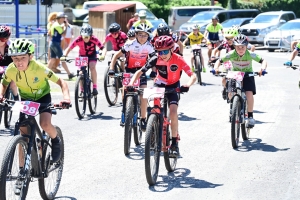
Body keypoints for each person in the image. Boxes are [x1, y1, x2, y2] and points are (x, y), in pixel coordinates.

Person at [0, 38, 70, 171]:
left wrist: (66, 98)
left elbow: (61, 82)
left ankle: (55, 141)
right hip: (26, 100)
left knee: (45, 124)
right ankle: (22, 171)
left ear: (30, 56)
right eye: (15, 59)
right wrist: (1, 95)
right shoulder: (10, 70)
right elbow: (4, 83)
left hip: (43, 97)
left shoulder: (39, 68)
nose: (19, 62)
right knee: (23, 135)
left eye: (22, 58)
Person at [127, 36, 196, 157]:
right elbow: (139, 72)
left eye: (165, 51)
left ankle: (174, 143)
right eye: (159, 51)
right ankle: (152, 129)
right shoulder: (155, 59)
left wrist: (188, 85)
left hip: (174, 86)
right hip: (159, 84)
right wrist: (131, 83)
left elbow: (193, 75)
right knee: (154, 108)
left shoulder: (178, 59)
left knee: (173, 112)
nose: (162, 54)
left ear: (171, 49)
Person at [108, 24, 156, 131]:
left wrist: (153, 72)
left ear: (148, 36)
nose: (142, 37)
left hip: (141, 72)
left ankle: (143, 118)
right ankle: (124, 112)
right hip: (129, 71)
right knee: (125, 91)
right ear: (136, 34)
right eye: (140, 35)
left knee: (144, 94)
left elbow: (154, 61)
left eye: (145, 35)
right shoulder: (130, 44)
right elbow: (116, 56)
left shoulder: (149, 46)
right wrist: (111, 69)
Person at [213, 34, 267, 127]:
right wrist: (216, 68)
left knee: (249, 94)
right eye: (238, 47)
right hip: (235, 75)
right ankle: (233, 107)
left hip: (247, 75)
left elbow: (263, 61)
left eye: (243, 47)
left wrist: (262, 69)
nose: (241, 49)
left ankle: (250, 116)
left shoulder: (250, 54)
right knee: (230, 93)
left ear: (246, 46)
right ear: (234, 46)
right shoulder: (231, 54)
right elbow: (219, 61)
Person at [63, 24, 104, 95]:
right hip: (82, 56)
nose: (85, 38)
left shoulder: (94, 39)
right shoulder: (78, 39)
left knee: (92, 67)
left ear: (91, 35)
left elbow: (103, 48)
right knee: (80, 73)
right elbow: (69, 48)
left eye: (87, 36)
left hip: (92, 56)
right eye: (83, 36)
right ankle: (82, 90)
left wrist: (103, 55)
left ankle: (94, 87)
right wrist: (64, 55)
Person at [48, 12, 75, 79]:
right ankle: (69, 74)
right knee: (62, 59)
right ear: (59, 18)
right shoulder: (57, 25)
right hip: (55, 43)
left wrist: (64, 26)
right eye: (63, 18)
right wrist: (65, 27)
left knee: (52, 59)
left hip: (53, 43)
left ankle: (45, 73)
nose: (64, 19)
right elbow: (64, 34)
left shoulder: (55, 24)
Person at [0, 25, 19, 100]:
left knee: (12, 83)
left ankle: (16, 98)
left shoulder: (12, 46)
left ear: (6, 39)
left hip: (10, 67)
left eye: (1, 39)